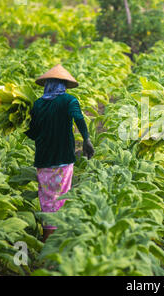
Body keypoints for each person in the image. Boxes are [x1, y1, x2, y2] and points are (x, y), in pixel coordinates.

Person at [25, 64, 95, 242]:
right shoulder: (69, 100)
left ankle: (48, 236)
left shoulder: (38, 104)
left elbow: (32, 134)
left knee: (46, 197)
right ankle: (54, 240)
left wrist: (22, 123)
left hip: (43, 159)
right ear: (63, 85)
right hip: (63, 157)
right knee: (61, 196)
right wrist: (86, 139)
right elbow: (78, 117)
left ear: (48, 84)